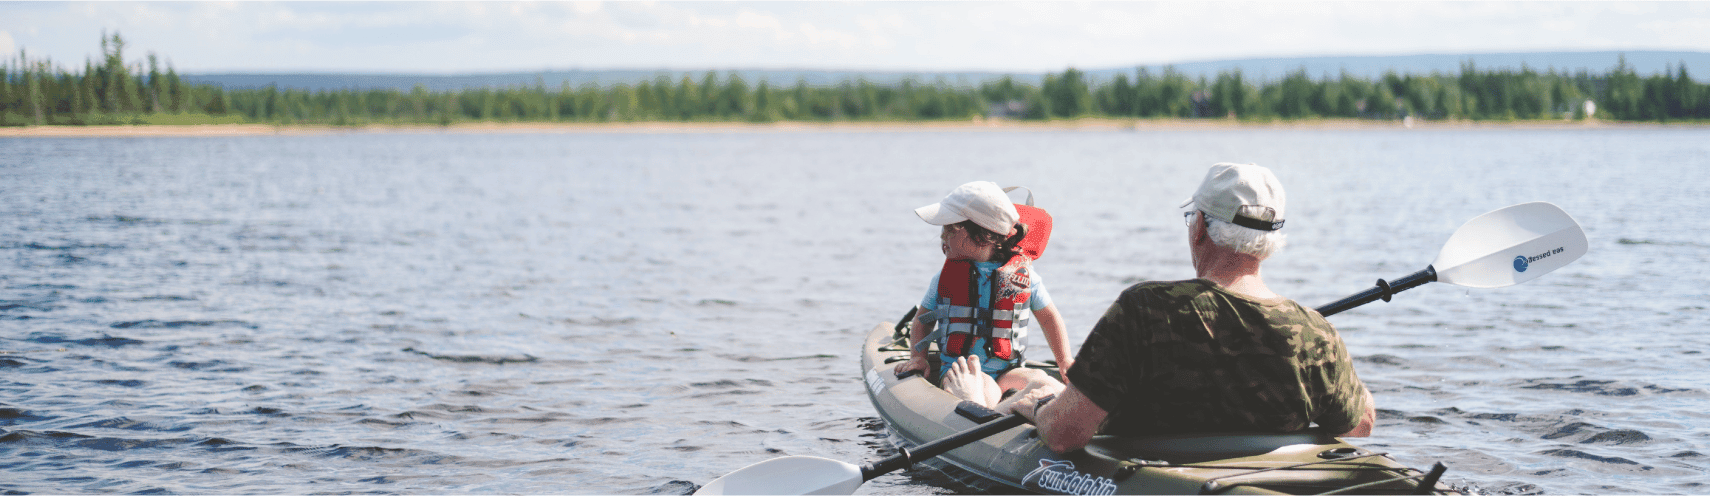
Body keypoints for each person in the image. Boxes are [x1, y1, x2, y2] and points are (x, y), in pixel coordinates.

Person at [943, 163, 1376, 454]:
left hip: (1152, 476)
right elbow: (1361, 424)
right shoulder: (1316, 331)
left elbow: (1064, 434)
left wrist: (1034, 405)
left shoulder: (1146, 309)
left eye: (1193, 218)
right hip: (1263, 475)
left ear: (1201, 227)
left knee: (1034, 396)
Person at [895, 181, 1074, 400]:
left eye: (949, 230)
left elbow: (1049, 318)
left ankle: (1045, 411)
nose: (942, 238)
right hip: (960, 370)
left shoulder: (1024, 278)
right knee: (985, 388)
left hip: (1009, 371)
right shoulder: (943, 278)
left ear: (981, 236)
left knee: (1042, 380)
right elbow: (922, 320)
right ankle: (1004, 411)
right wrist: (918, 357)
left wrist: (1065, 361)